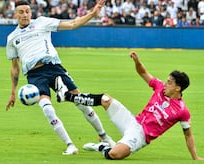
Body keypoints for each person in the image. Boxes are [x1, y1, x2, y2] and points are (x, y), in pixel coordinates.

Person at [5, 0, 116, 155]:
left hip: (54, 68)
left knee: (81, 101)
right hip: (35, 76)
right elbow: (15, 68)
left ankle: (104, 136)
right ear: (15, 14)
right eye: (21, 12)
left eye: (28, 11)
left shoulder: (42, 22)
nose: (25, 15)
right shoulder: (11, 38)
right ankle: (70, 145)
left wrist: (92, 13)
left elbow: (72, 24)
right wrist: (12, 92)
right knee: (47, 108)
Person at [59, 51, 204, 160]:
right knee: (105, 99)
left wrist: (195, 157)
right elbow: (143, 73)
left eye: (170, 82)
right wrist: (137, 61)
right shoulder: (160, 87)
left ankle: (102, 146)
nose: (165, 84)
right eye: (166, 81)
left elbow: (188, 135)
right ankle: (68, 96)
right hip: (132, 121)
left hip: (141, 136)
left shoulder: (182, 111)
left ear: (178, 88)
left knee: (115, 154)